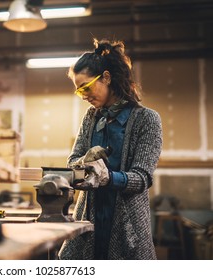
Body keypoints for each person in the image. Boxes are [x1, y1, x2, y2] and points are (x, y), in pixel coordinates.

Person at [58, 38, 163, 260]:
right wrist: (82, 163)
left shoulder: (147, 120)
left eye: (86, 87)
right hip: (89, 218)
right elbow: (72, 161)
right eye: (79, 91)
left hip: (128, 225)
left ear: (106, 77)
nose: (84, 95)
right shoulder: (91, 117)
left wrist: (109, 178)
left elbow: (142, 178)